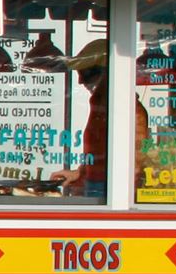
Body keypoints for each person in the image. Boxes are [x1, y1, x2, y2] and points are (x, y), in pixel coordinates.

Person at [56, 39, 149, 199]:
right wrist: (78, 173)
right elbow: (101, 153)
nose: (80, 81)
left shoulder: (129, 111)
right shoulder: (101, 107)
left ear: (106, 72)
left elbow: (135, 160)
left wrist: (124, 198)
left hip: (112, 191)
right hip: (97, 185)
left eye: (85, 73)